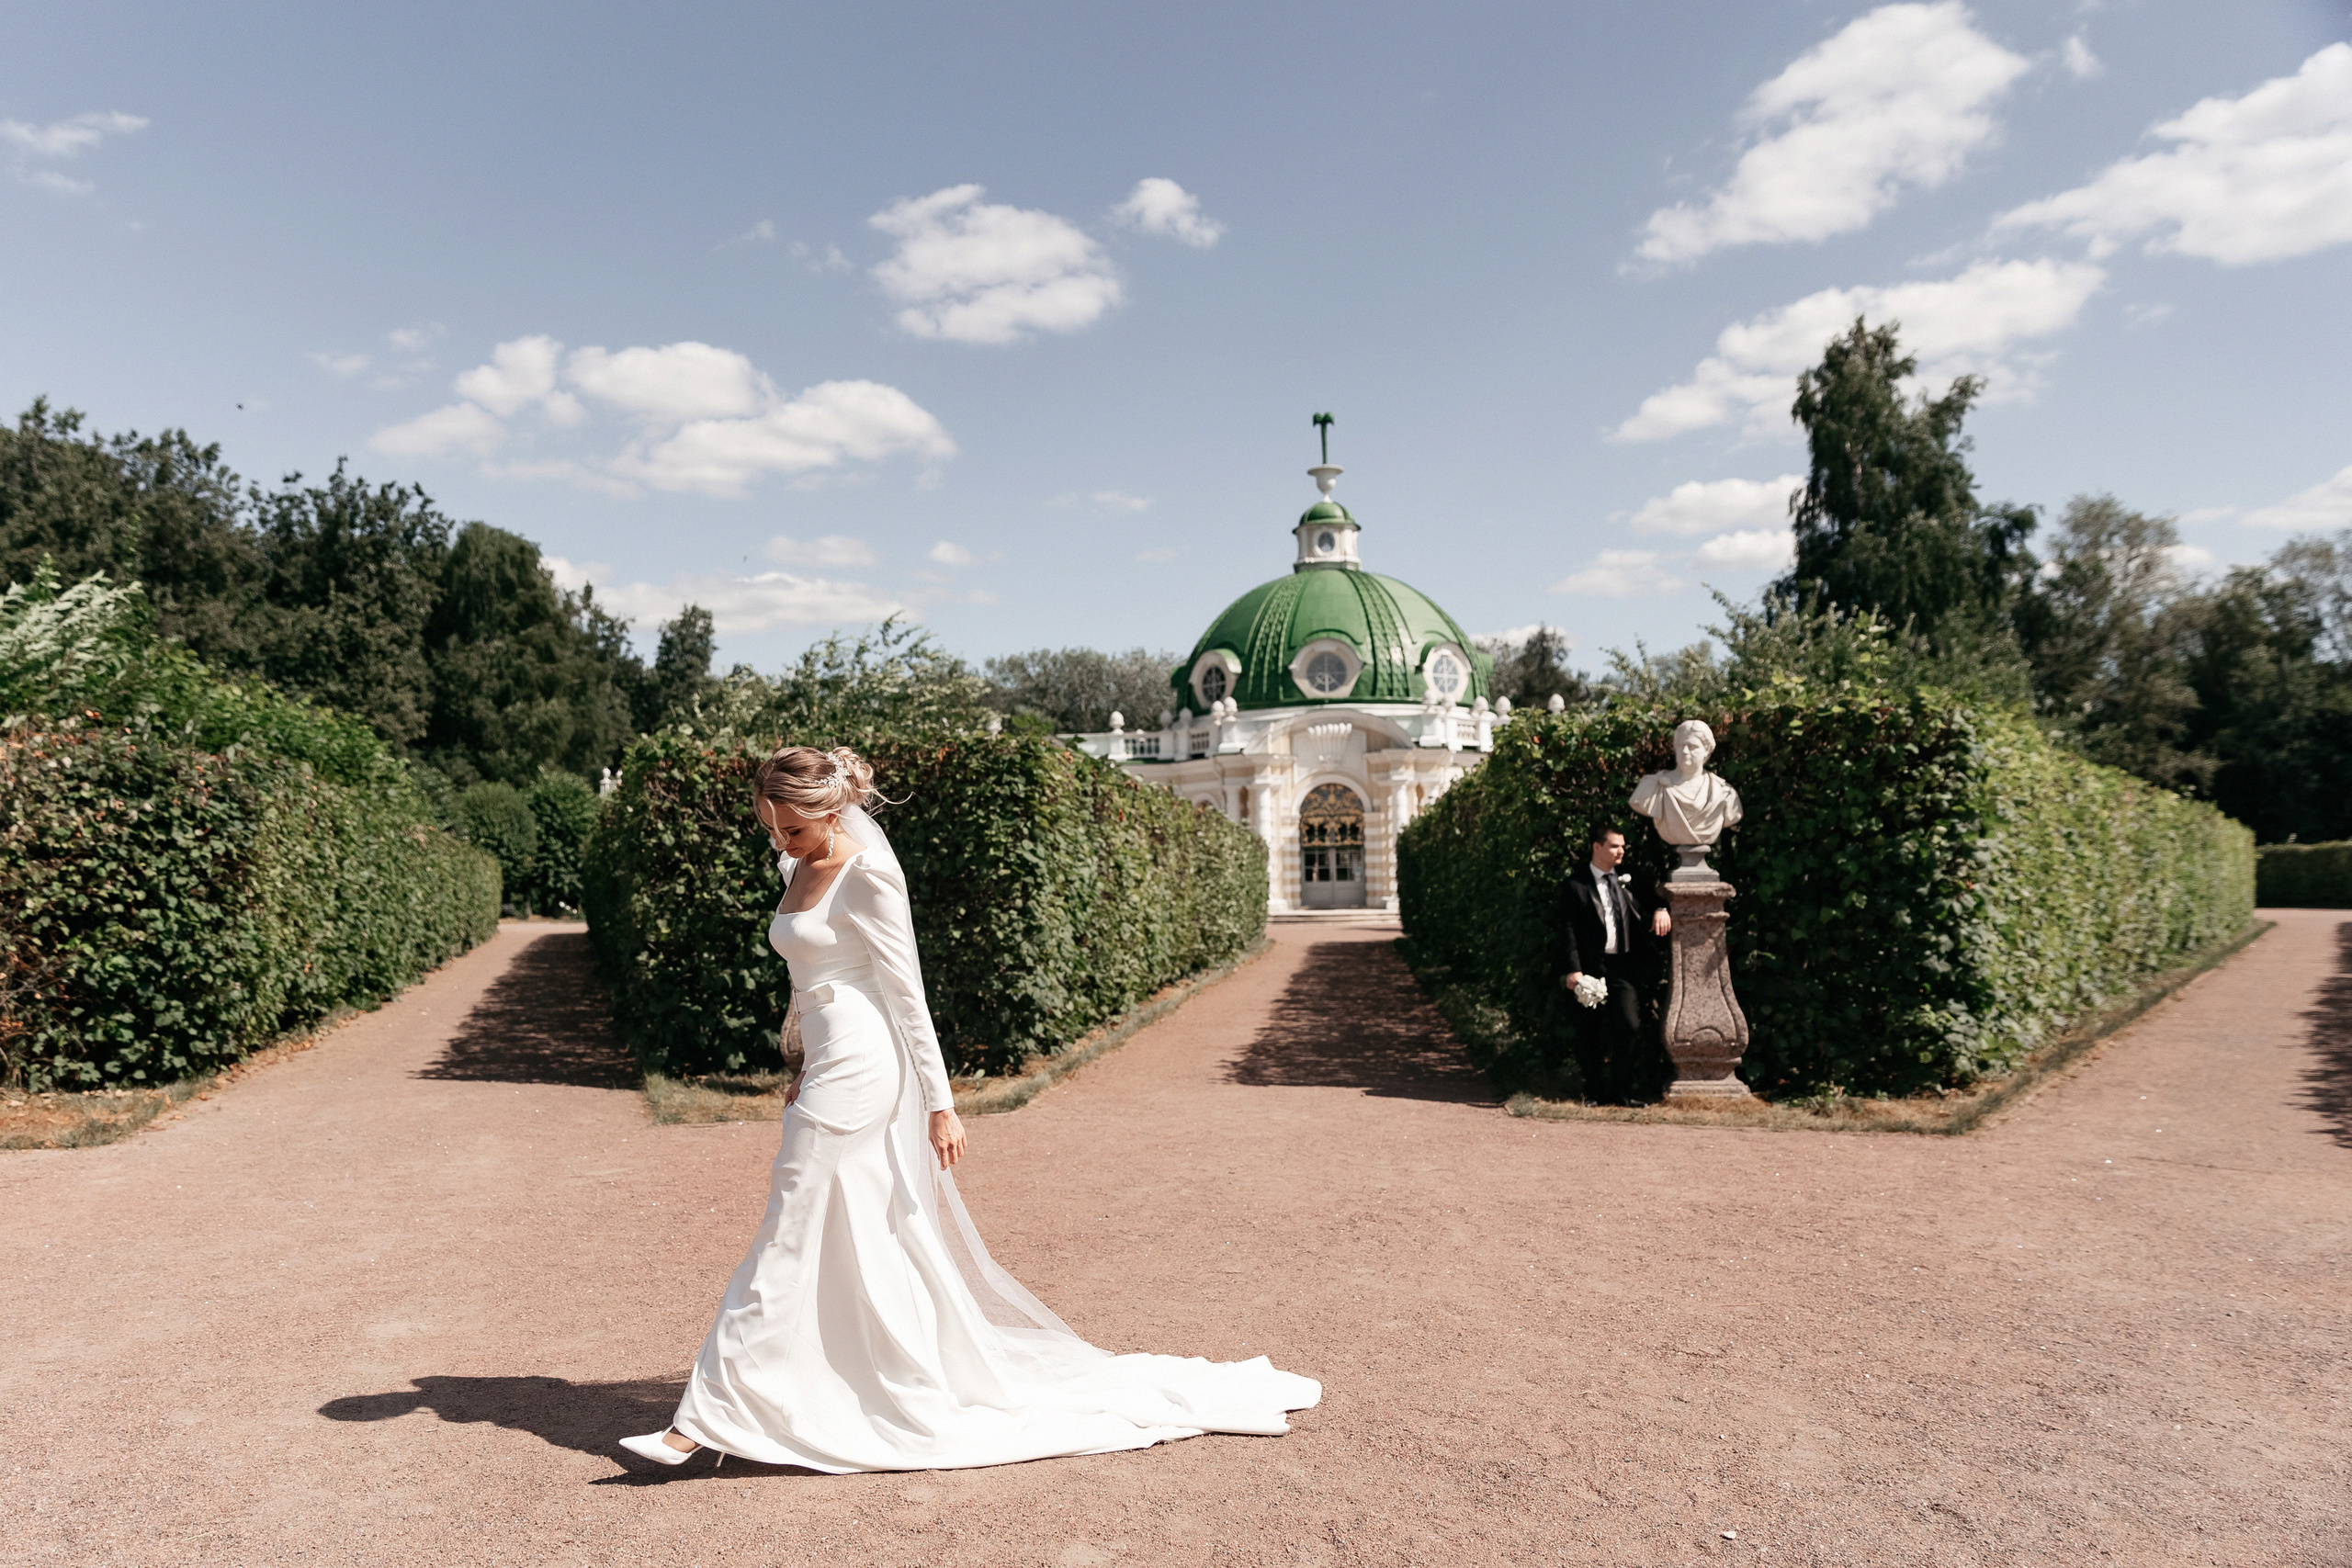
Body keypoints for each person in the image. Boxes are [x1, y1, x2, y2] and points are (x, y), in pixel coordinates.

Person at [619, 744, 1319, 1472]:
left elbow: (906, 994)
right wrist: (799, 1062)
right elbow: (805, 980)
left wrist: (940, 1102)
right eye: (772, 827)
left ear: (832, 810)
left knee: (785, 1226)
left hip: (867, 1068)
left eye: (793, 828)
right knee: (862, 1233)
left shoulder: (870, 875)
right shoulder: (795, 867)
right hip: (828, 1065)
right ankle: (877, 1380)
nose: (781, 842)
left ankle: (697, 1422)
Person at [1562, 823, 1671, 1103]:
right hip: (1591, 967)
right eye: (1614, 846)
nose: (1621, 851)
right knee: (1591, 1031)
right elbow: (1568, 929)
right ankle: (1593, 1092)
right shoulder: (1576, 884)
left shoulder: (1629, 877)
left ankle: (1622, 1092)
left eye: (1623, 846)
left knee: (1628, 1025)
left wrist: (1660, 910)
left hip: (1623, 965)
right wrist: (1574, 970)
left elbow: (1655, 898)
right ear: (1597, 847)